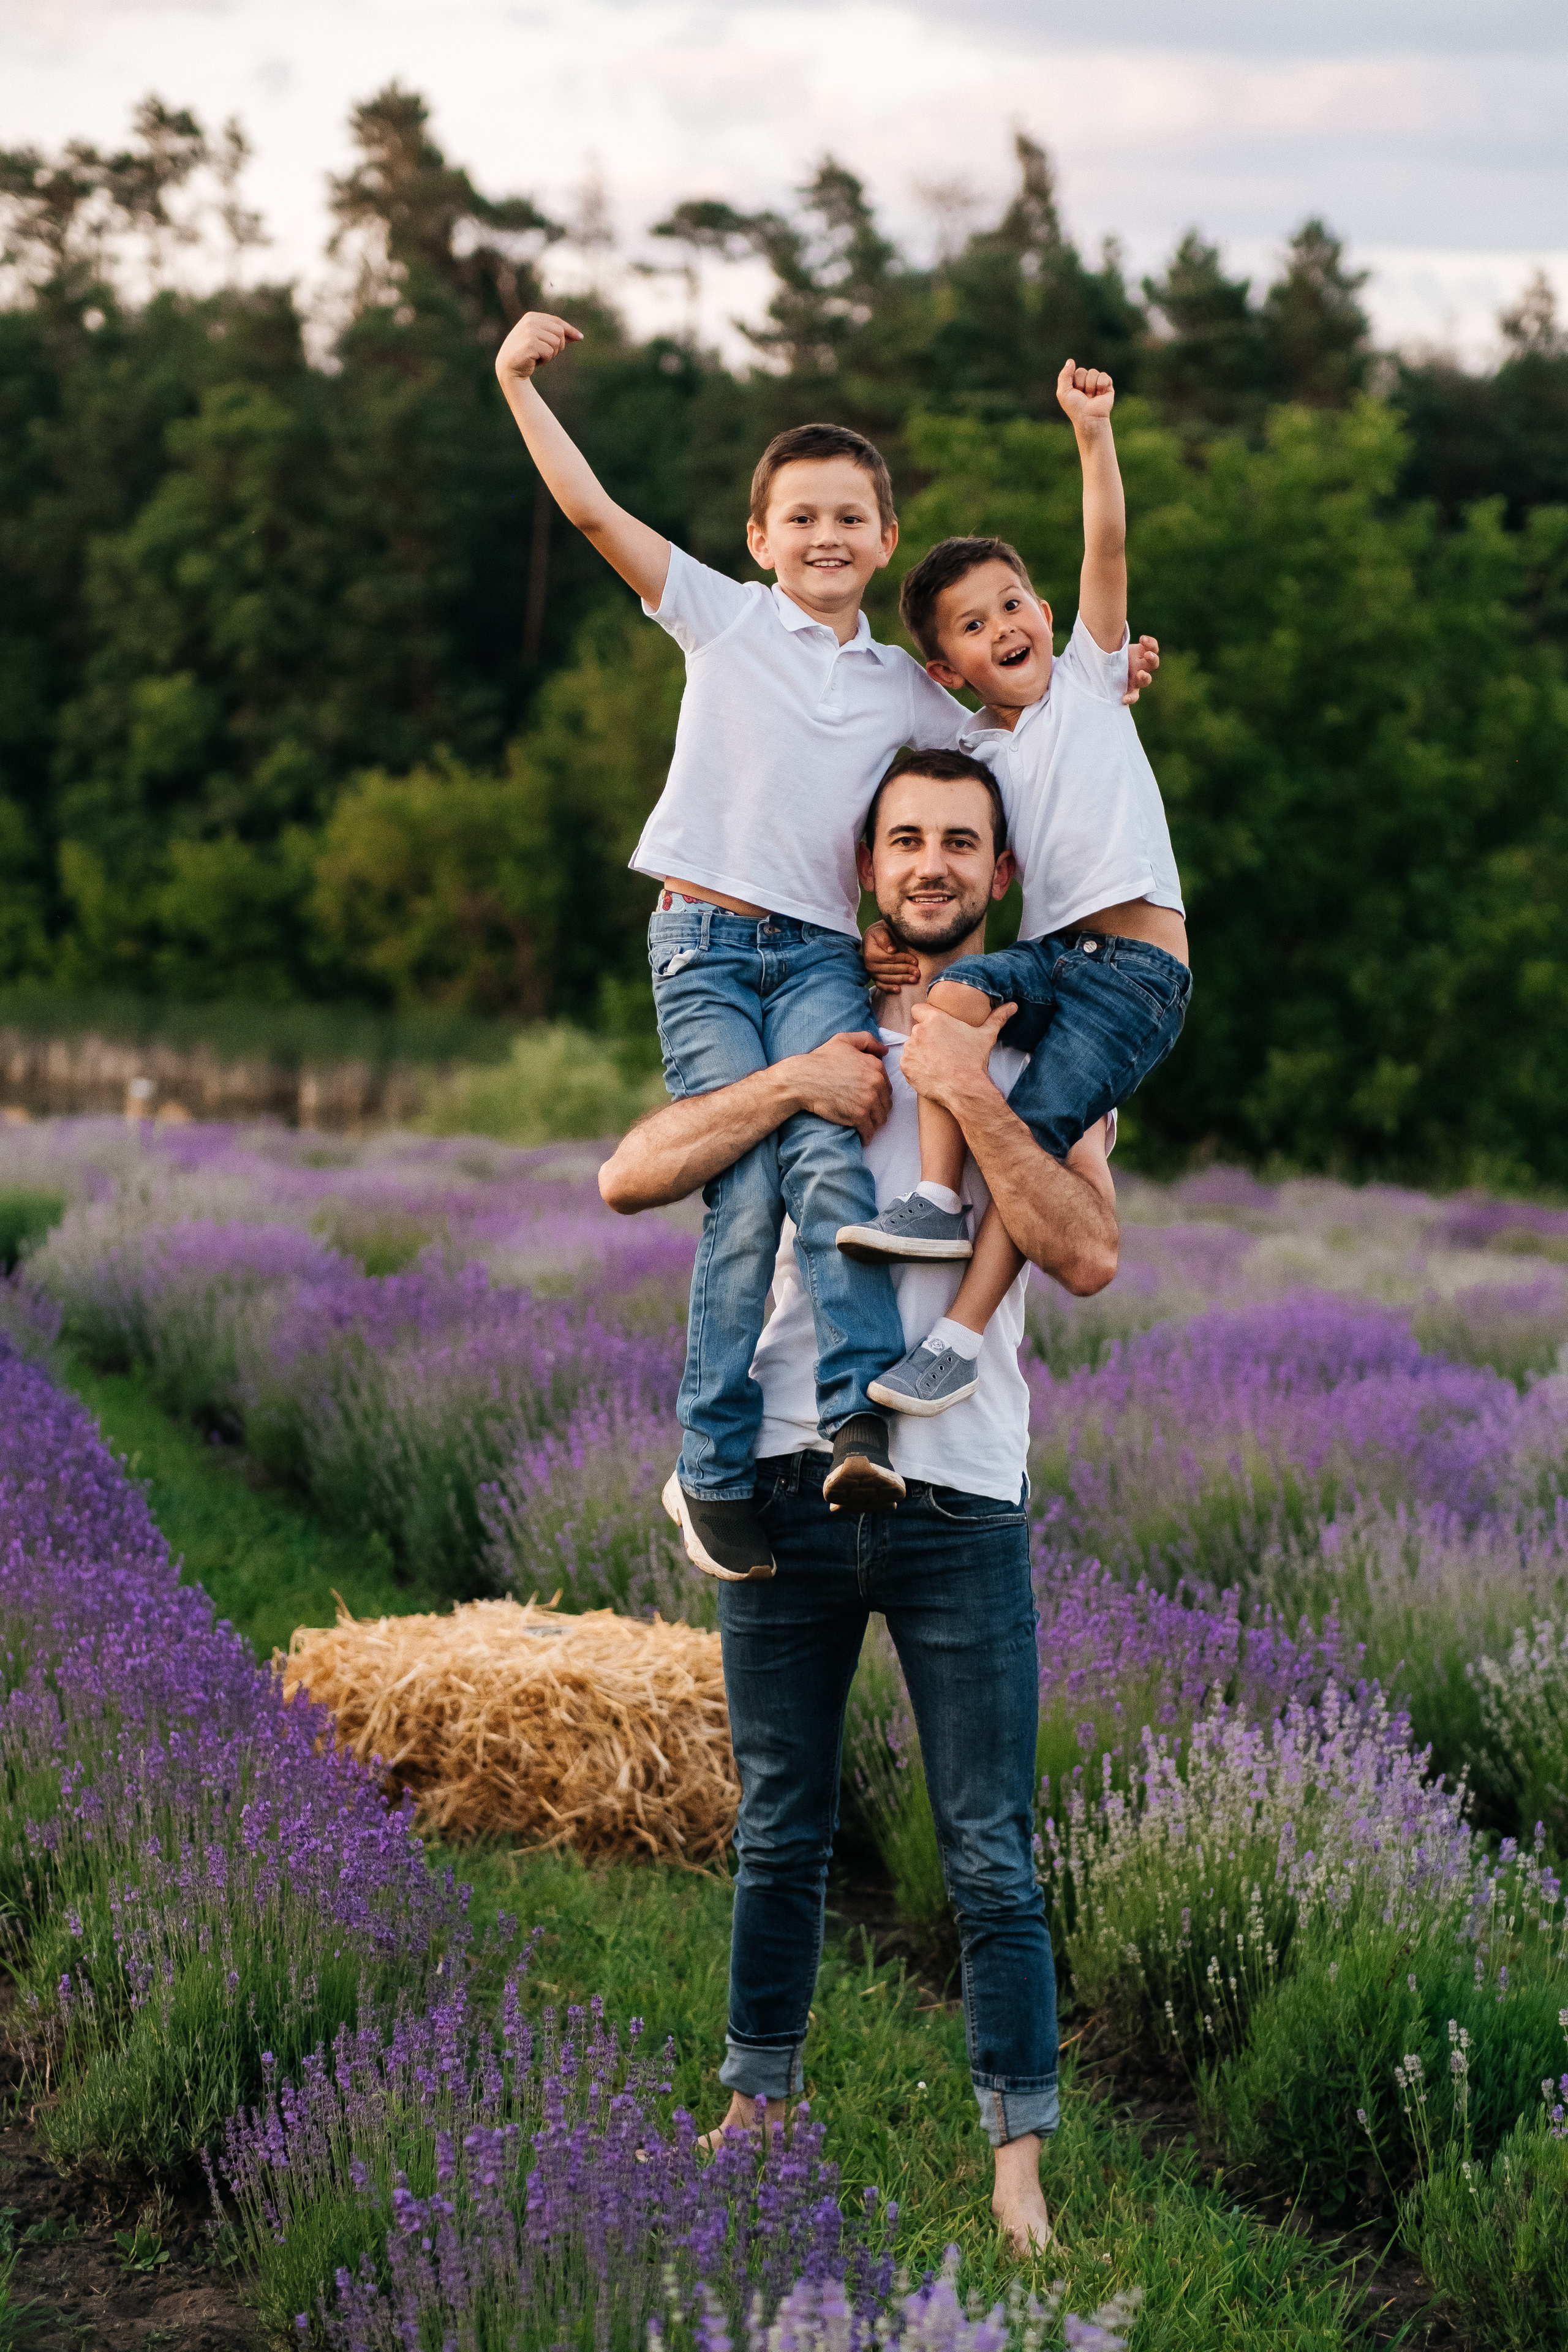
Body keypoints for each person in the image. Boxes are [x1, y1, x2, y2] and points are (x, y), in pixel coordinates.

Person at [494, 315, 1157, 1578]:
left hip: (815, 959)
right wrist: (518, 382)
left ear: (883, 537)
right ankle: (707, 1462)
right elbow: (590, 515)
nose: (824, 537)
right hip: (701, 944)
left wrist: (1109, 684)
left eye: (849, 516)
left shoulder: (913, 694)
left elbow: (1020, 727)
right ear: (758, 539)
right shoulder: (722, 620)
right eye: (799, 518)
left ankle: (855, 1411)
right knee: (737, 1196)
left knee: (827, 1173)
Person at [598, 752, 1118, 2257]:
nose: (932, 860)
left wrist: (967, 1088)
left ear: (998, 875)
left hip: (960, 1496)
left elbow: (1085, 1253)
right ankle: (755, 2108)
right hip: (779, 1482)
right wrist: (791, 1085)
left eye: (960, 839)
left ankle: (1016, 2168)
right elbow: (627, 1177)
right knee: (780, 1827)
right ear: (867, 863)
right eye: (906, 837)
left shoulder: (1046, 1051)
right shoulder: (795, 1024)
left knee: (986, 1849)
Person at [839, 363, 1188, 1420]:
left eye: (1010, 605)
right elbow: (894, 779)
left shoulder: (1090, 677)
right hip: (1053, 956)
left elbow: (1108, 547)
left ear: (1042, 610)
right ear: (949, 669)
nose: (1003, 628)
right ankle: (936, 1200)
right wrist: (872, 937)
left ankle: (957, 1339)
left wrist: (1092, 433)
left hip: (1135, 974)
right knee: (951, 1005)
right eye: (972, 627)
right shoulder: (972, 741)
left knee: (1031, 1135)